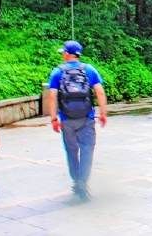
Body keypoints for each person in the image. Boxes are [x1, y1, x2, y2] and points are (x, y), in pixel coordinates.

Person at [47, 40, 107, 200]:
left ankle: (76, 180)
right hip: (86, 118)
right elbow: (100, 92)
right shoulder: (89, 70)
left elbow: (52, 96)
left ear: (67, 54)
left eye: (63, 52)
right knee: (87, 149)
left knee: (71, 151)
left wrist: (54, 118)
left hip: (66, 119)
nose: (62, 55)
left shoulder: (57, 72)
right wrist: (103, 113)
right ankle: (82, 181)